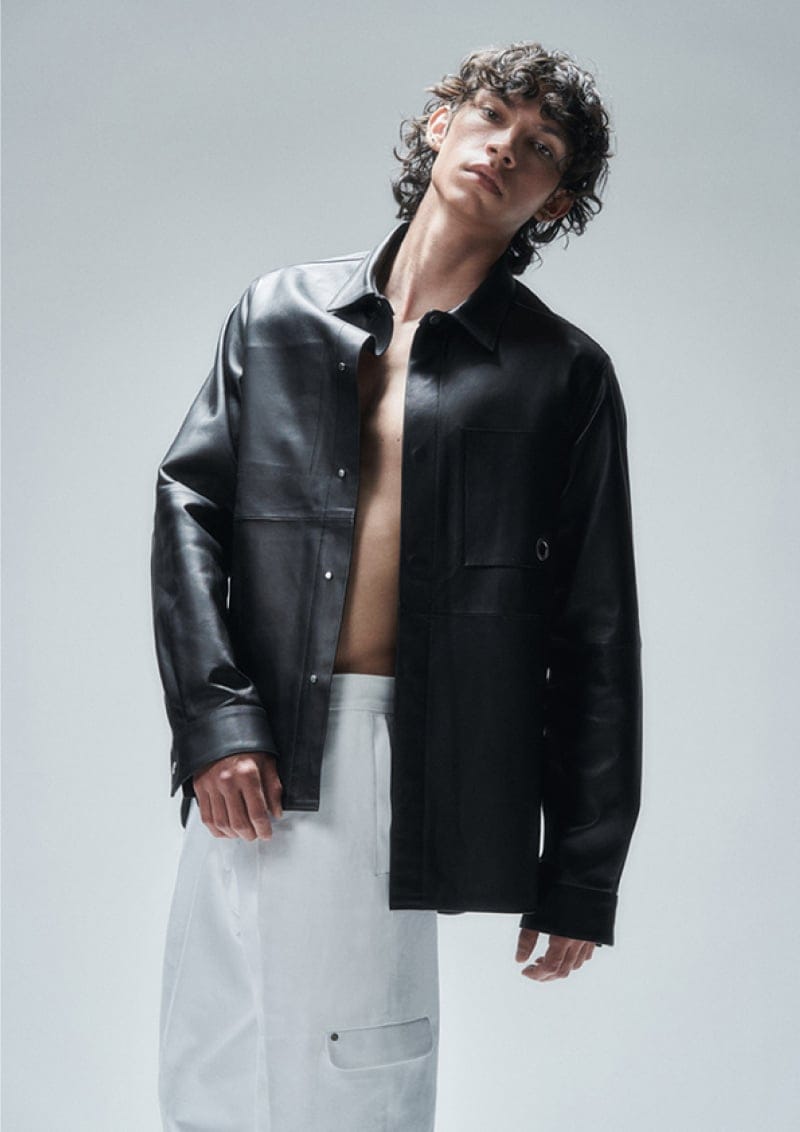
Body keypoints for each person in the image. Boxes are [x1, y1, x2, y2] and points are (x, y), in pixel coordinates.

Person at [150, 39, 643, 1132]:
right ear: (439, 124)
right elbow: (190, 509)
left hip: (392, 749)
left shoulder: (561, 374)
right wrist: (217, 720)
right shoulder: (279, 313)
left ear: (555, 202)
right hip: (255, 738)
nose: (505, 148)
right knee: (210, 1061)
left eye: (541, 148)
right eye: (493, 116)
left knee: (353, 1073)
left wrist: (582, 869)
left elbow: (597, 628)